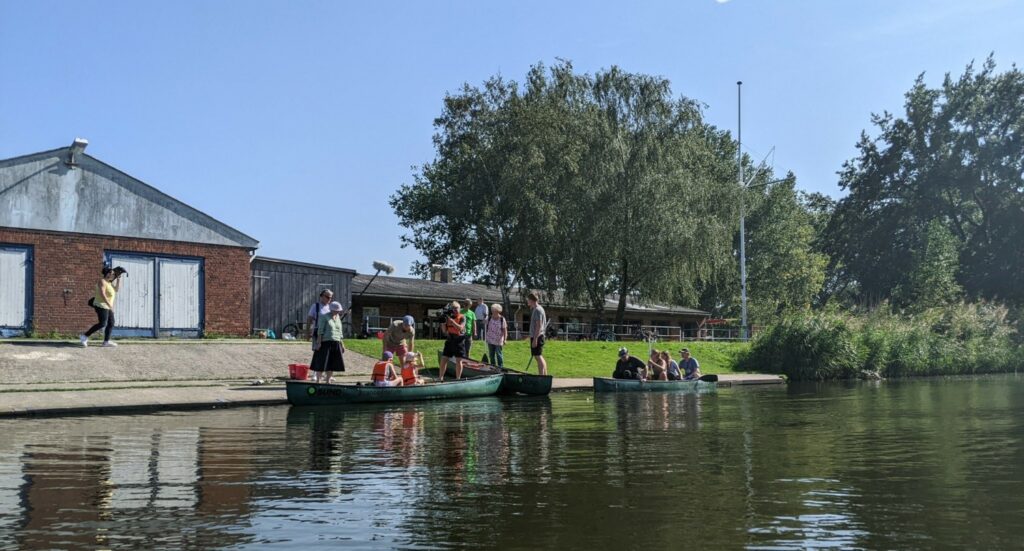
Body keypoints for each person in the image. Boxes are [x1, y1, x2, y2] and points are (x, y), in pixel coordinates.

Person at [80, 266, 123, 347]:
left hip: (107, 306)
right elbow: (102, 294)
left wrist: (119, 279)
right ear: (107, 273)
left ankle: (106, 342)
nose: (113, 275)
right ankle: (84, 336)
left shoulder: (109, 283)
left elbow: (117, 289)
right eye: (112, 273)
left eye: (114, 274)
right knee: (102, 323)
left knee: (111, 323)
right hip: (101, 305)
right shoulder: (102, 281)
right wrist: (109, 304)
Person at [313, 301, 346, 383]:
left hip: (336, 342)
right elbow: (320, 331)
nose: (338, 311)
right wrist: (319, 343)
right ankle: (318, 381)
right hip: (325, 342)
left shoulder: (338, 317)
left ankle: (328, 380)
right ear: (331, 309)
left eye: (339, 310)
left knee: (332, 363)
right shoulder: (324, 316)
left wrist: (342, 344)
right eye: (336, 310)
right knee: (322, 362)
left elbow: (340, 331)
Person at [439, 301, 466, 382]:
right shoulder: (448, 317)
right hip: (450, 340)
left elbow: (460, 328)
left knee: (458, 360)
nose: (455, 310)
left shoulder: (462, 317)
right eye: (453, 308)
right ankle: (440, 378)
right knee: (444, 359)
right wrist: (443, 322)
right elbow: (444, 331)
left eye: (457, 308)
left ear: (460, 309)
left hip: (459, 341)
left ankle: (458, 379)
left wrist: (452, 321)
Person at [307, 289, 333, 353]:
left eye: (330, 297)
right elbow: (309, 319)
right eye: (327, 297)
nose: (329, 299)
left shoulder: (330, 308)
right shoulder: (315, 306)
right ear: (321, 296)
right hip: (318, 332)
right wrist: (308, 333)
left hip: (328, 333)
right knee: (317, 351)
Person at [527, 292, 548, 376]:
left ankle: (541, 376)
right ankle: (544, 375)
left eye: (528, 300)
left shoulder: (537, 310)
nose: (527, 302)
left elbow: (538, 325)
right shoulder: (538, 309)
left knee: (538, 356)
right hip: (538, 336)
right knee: (539, 356)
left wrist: (535, 339)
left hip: (538, 336)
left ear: (531, 300)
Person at [484, 303, 508, 368]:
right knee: (491, 355)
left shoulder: (502, 319)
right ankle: (493, 367)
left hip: (498, 340)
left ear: (498, 311)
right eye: (492, 310)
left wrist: (505, 339)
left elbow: (505, 330)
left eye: (494, 310)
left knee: (499, 354)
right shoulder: (489, 318)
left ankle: (500, 367)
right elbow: (484, 324)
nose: (492, 312)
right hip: (490, 339)